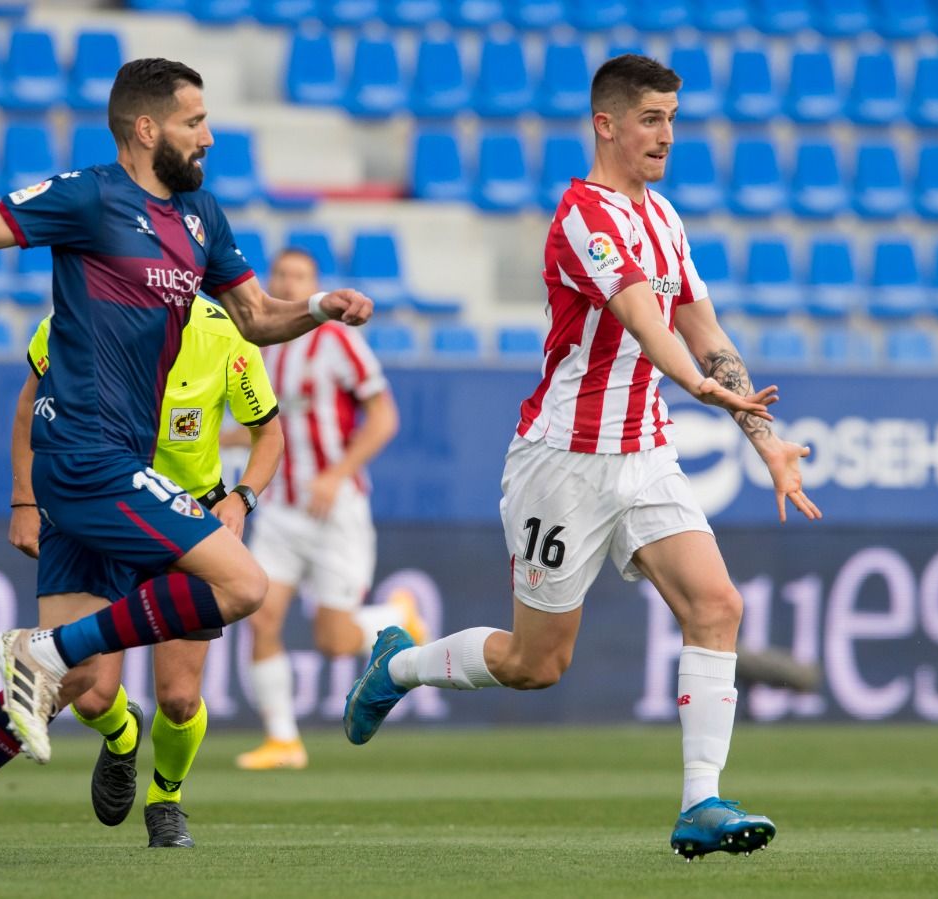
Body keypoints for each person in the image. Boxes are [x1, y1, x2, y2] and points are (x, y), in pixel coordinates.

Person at [0, 57, 372, 870]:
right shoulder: (90, 196)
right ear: (146, 129)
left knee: (72, 690)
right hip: (85, 451)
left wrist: (317, 309)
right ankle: (43, 650)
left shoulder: (201, 213)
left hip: (117, 459)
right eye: (195, 121)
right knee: (241, 584)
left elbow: (256, 316)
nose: (209, 135)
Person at [340, 55, 821, 861]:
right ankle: (400, 665)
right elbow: (645, 321)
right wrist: (702, 387)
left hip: (645, 451)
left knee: (718, 605)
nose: (667, 135)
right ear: (607, 124)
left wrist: (769, 445)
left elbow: (705, 328)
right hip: (562, 460)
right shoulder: (581, 217)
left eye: (672, 118)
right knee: (538, 662)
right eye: (651, 119)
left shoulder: (665, 219)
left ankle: (700, 800)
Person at [8, 303, 282, 847]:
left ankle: (167, 800)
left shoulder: (224, 335)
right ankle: (121, 732)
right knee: (89, 695)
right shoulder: (80, 313)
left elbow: (267, 433)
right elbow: (29, 410)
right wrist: (23, 499)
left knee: (180, 699)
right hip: (106, 513)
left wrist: (242, 498)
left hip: (185, 523)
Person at [234, 247, 421, 771]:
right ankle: (283, 740)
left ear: (316, 285)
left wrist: (335, 475)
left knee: (335, 640)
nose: (289, 282)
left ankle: (398, 617)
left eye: (300, 275)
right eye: (281, 274)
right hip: (280, 508)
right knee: (260, 615)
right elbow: (259, 428)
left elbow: (384, 417)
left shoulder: (338, 340)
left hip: (335, 508)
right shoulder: (259, 346)